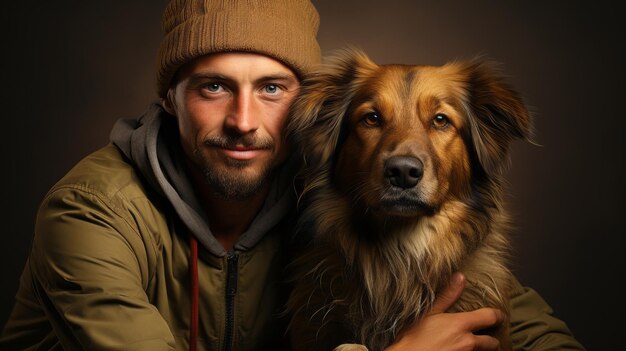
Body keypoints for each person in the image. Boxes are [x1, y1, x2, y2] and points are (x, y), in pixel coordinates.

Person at [0, 1, 585, 350]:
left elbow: (501, 304)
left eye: (272, 88)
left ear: (305, 108)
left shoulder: (320, 193)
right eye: (213, 87)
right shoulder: (88, 214)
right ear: (170, 99)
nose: (243, 121)